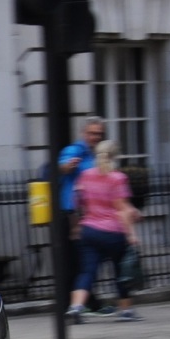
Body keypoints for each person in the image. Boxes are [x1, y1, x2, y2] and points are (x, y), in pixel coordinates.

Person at [66, 140, 142, 324]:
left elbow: (78, 203)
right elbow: (121, 209)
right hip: (113, 232)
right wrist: (132, 235)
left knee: (87, 272)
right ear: (116, 156)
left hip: (89, 230)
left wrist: (77, 226)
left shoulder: (85, 175)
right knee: (120, 271)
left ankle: (76, 307)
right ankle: (125, 310)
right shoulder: (117, 178)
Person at [58, 116, 107, 314]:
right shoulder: (75, 150)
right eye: (92, 133)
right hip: (73, 213)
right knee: (75, 259)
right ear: (83, 133)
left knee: (88, 259)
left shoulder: (97, 154)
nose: (96, 137)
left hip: (91, 213)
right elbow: (62, 165)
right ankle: (74, 303)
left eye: (99, 134)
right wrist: (68, 166)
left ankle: (86, 301)